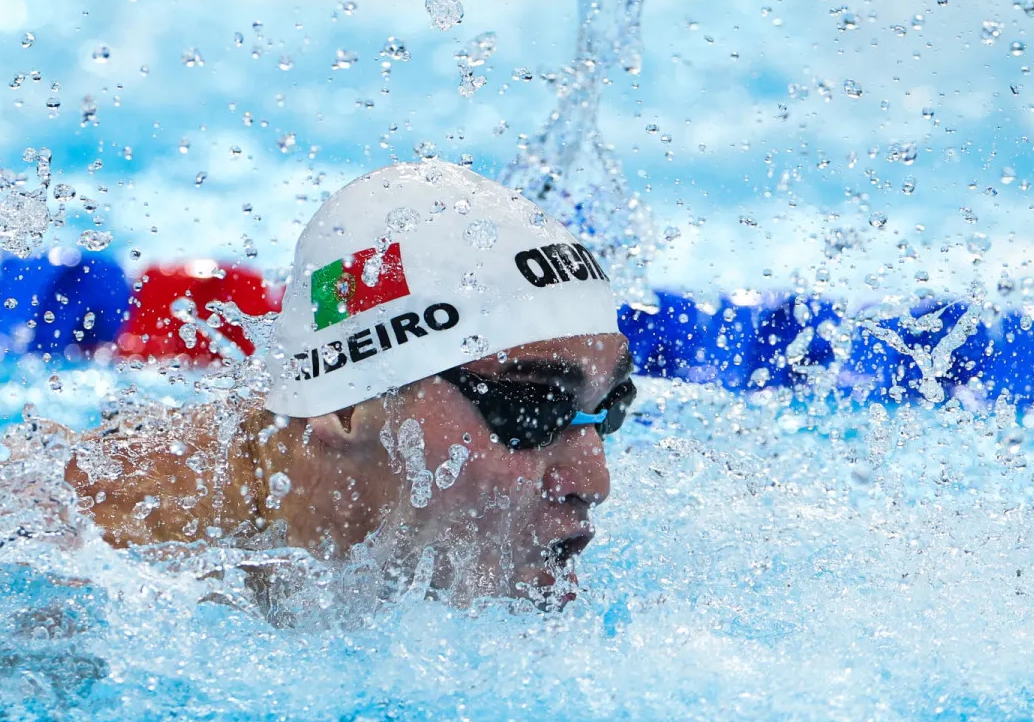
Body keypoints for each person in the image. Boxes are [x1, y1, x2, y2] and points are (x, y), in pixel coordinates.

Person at [65, 159, 634, 607]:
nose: (592, 480)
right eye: (533, 409)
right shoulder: (88, 565)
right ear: (346, 405)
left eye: (608, 409)